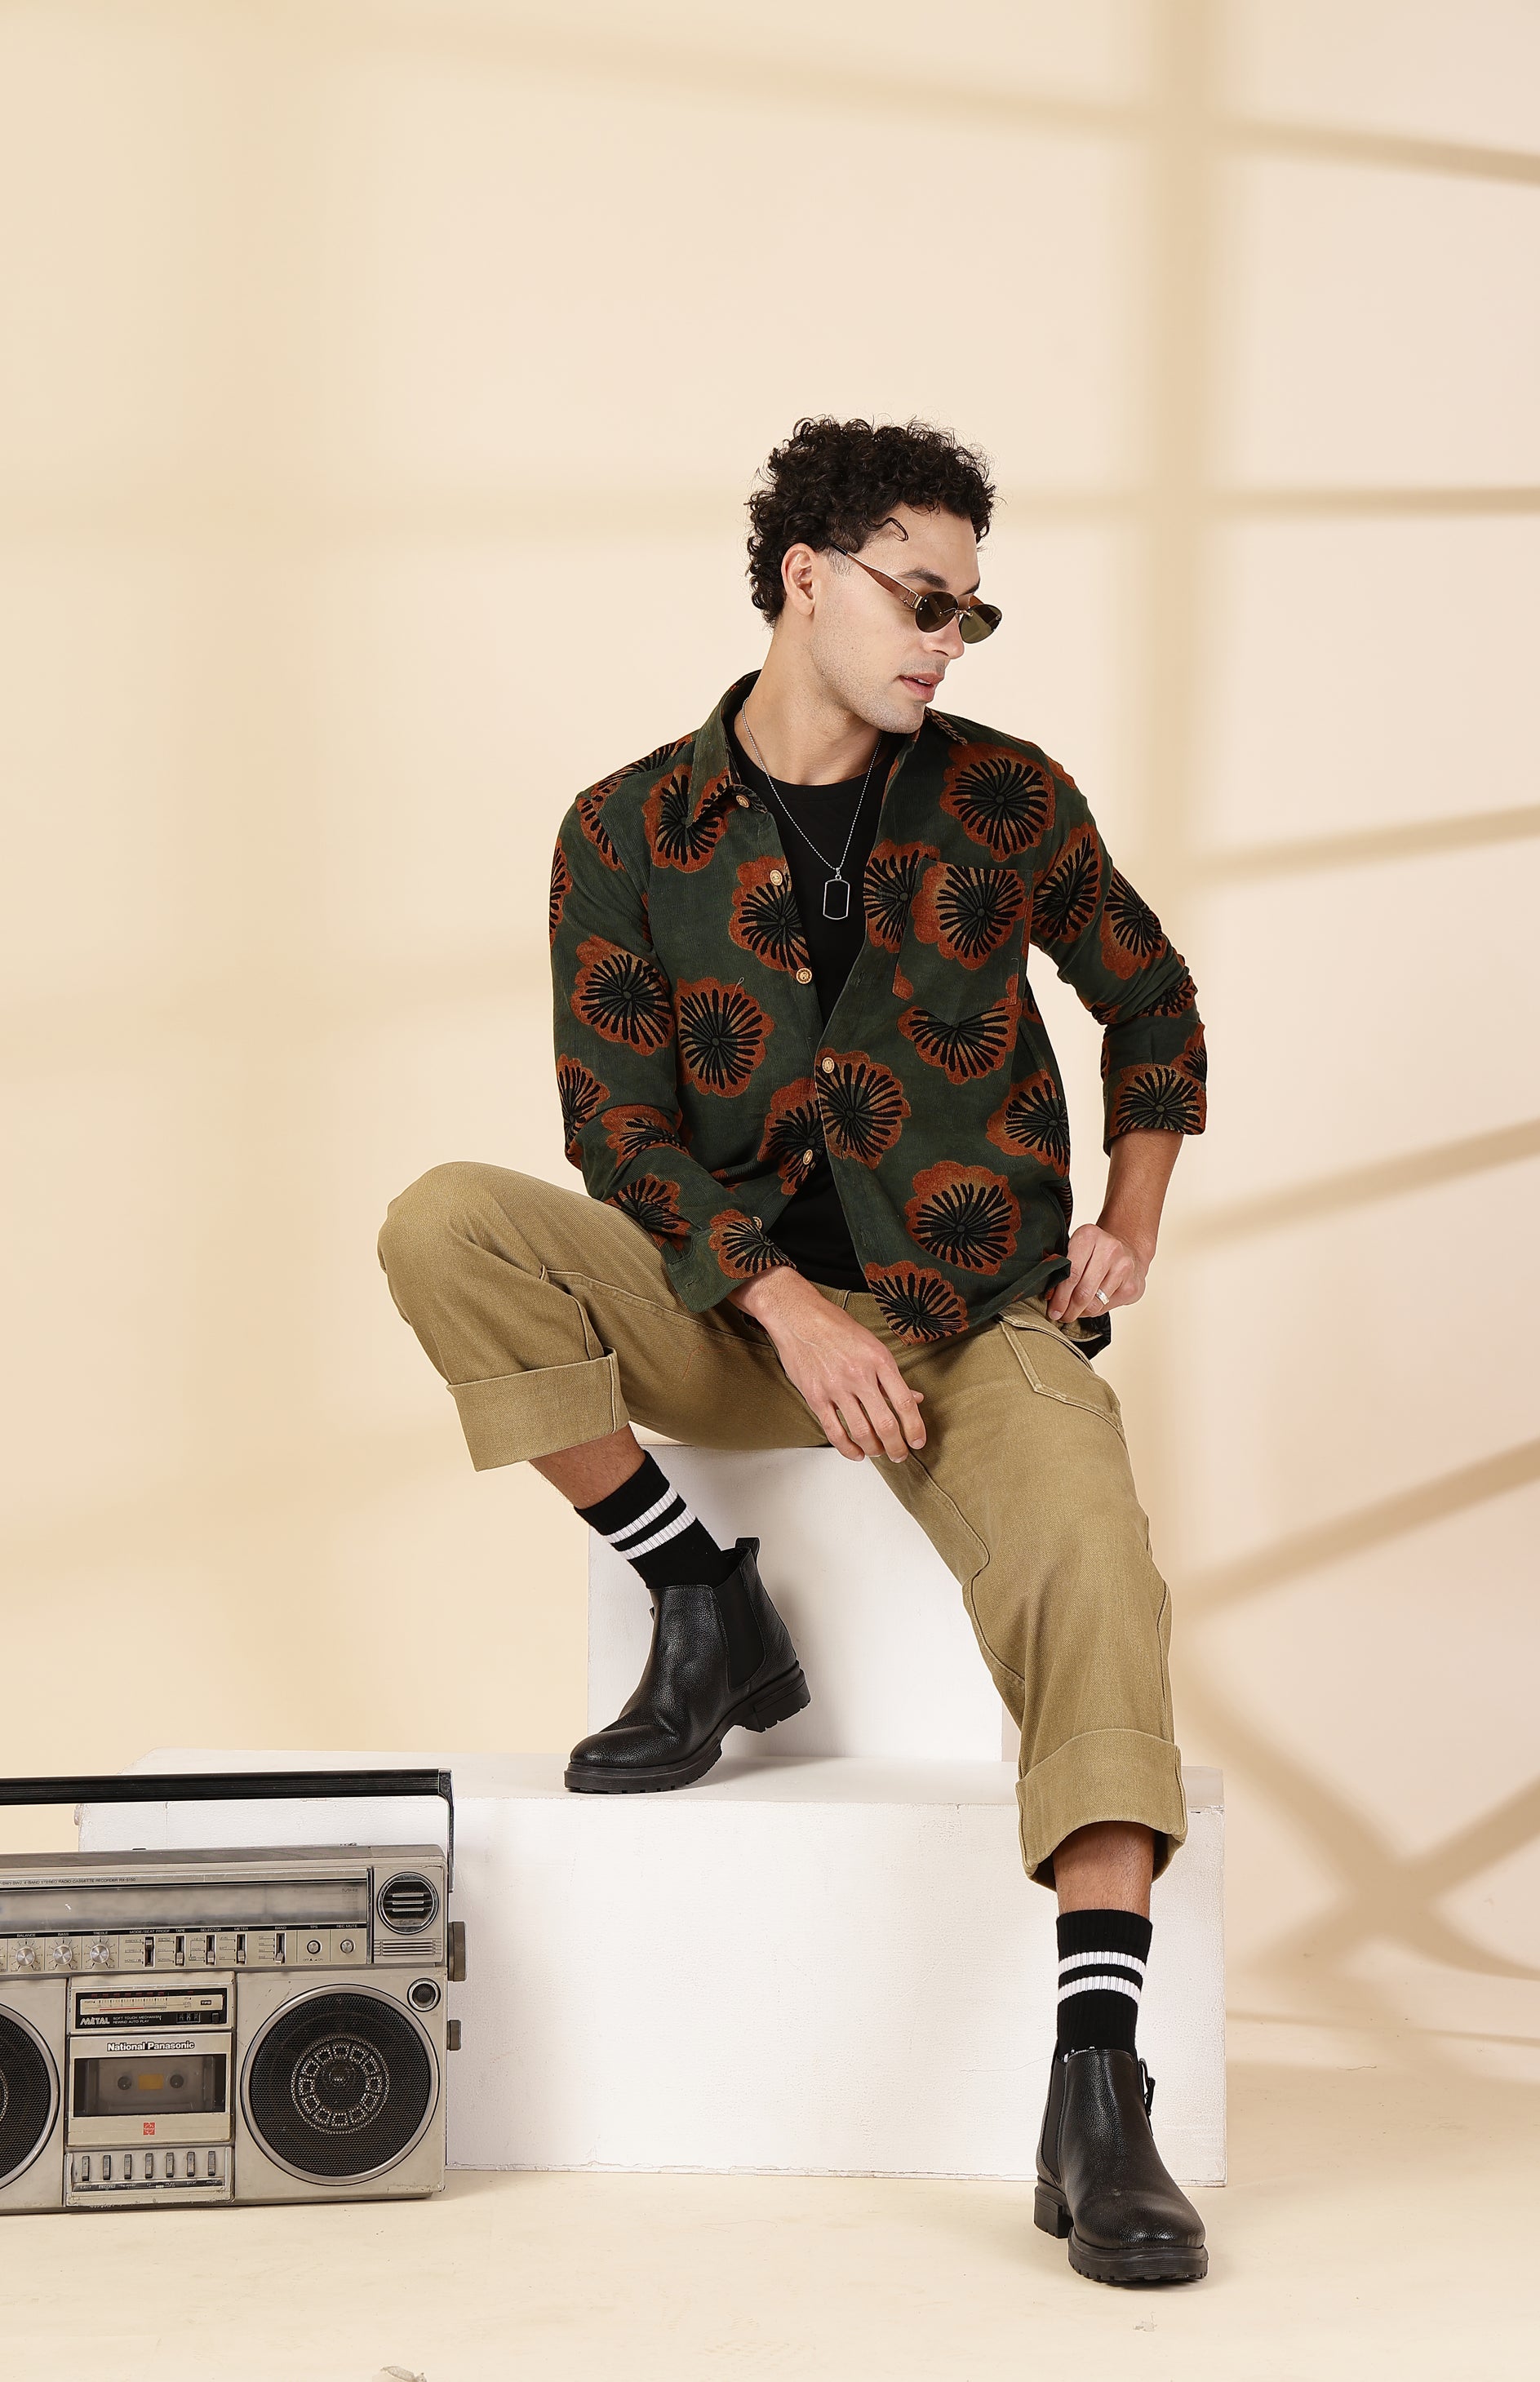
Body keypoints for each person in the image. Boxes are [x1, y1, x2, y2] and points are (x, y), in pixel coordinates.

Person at [378, 416, 1209, 2286]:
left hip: (970, 1318)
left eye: (971, 610)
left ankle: (1096, 2084)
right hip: (721, 1311)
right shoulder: (624, 830)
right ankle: (702, 1596)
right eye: (923, 597)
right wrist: (785, 1300)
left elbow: (1150, 1002)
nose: (947, 638)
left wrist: (1132, 1215)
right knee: (444, 1222)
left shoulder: (1006, 798)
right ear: (807, 577)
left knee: (1093, 1559)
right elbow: (618, 1134)